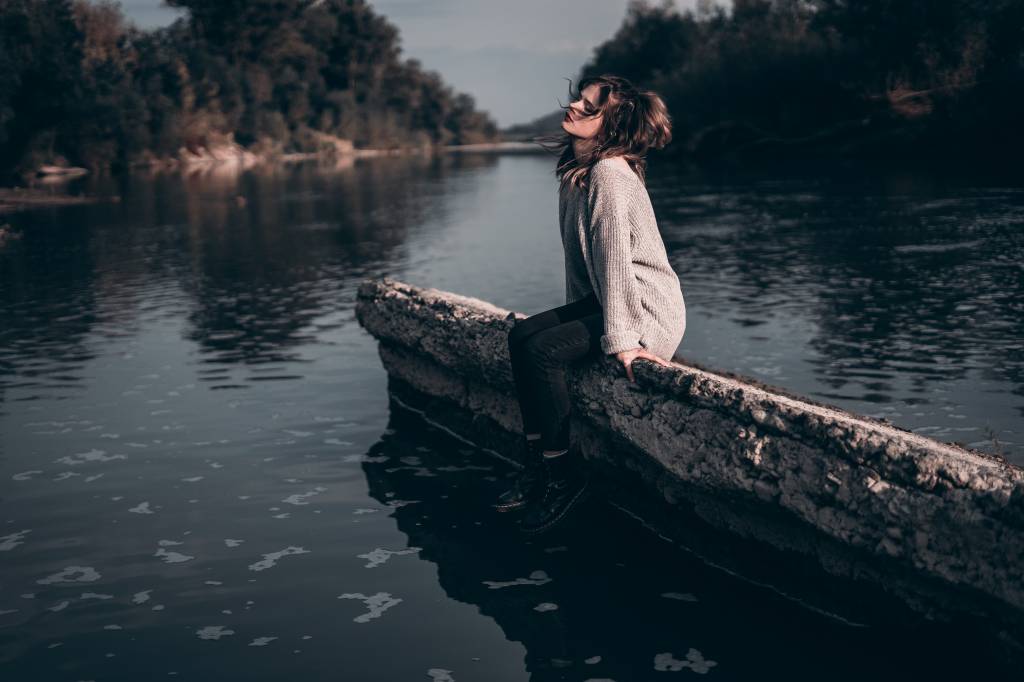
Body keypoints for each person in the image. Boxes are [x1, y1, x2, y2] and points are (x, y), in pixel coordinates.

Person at [494, 74, 686, 534]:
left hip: (645, 308)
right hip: (608, 299)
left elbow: (616, 260)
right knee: (523, 336)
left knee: (542, 352)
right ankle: (538, 462)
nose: (574, 107)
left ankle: (563, 476)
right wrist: (574, 320)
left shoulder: (609, 175)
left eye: (590, 106)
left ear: (611, 126)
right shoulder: (576, 172)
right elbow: (584, 264)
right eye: (579, 99)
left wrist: (623, 341)